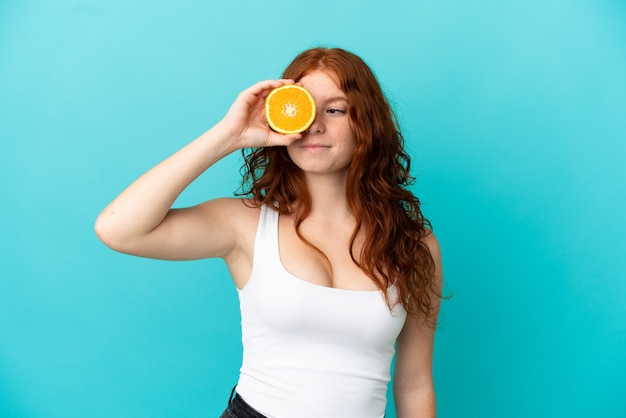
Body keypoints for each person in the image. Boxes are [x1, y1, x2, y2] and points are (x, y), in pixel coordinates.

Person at [95, 47, 443, 418]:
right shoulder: (245, 224)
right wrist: (228, 135)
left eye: (335, 109)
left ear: (367, 123)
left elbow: (415, 383)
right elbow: (118, 229)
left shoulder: (414, 244)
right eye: (302, 107)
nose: (315, 125)